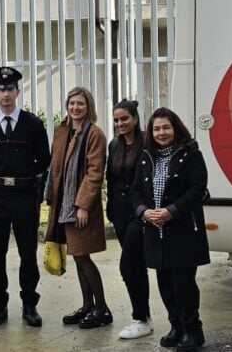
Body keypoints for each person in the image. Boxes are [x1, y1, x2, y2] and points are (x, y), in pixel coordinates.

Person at [0, 66, 50, 328]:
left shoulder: (33, 124)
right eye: (1, 89)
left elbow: (44, 161)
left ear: (18, 91)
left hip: (25, 197)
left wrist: (32, 187)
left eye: (10, 89)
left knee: (28, 252)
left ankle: (30, 304)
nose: (6, 94)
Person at [130, 107, 210, 352]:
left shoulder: (191, 153)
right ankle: (175, 326)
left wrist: (171, 211)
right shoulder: (146, 156)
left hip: (183, 230)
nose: (161, 132)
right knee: (164, 282)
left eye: (166, 127)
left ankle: (192, 331)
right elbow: (134, 191)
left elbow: (198, 190)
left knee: (183, 283)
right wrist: (143, 211)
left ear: (175, 128)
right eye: (156, 128)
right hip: (155, 230)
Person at [45, 87, 110, 329]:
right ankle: (87, 306)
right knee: (77, 256)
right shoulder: (62, 131)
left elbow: (95, 173)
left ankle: (102, 308)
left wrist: (82, 205)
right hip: (63, 203)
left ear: (88, 106)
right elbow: (55, 166)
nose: (75, 108)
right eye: (72, 103)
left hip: (81, 207)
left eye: (80, 104)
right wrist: (50, 196)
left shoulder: (94, 134)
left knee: (83, 256)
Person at [106, 99, 154, 339]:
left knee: (128, 265)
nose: (120, 123)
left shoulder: (147, 143)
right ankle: (144, 318)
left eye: (124, 118)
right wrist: (110, 209)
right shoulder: (114, 145)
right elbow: (111, 179)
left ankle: (140, 317)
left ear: (135, 119)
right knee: (136, 266)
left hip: (140, 212)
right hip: (120, 213)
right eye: (116, 120)